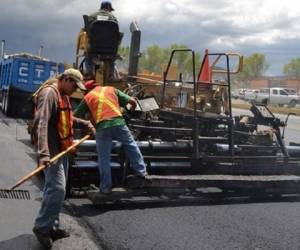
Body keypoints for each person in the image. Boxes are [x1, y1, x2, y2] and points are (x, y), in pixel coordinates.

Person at [32, 68, 95, 249]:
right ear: (66, 79)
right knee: (57, 189)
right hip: (52, 153)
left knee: (55, 190)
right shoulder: (49, 93)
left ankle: (52, 226)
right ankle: (42, 227)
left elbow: (67, 117)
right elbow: (41, 123)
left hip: (63, 149)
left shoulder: (63, 95)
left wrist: (85, 123)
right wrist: (43, 154)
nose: (76, 89)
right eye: (74, 85)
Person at [74, 81, 148, 195]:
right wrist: (131, 109)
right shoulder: (112, 89)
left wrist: (87, 123)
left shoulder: (88, 97)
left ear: (87, 90)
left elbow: (74, 115)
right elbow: (133, 101)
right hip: (118, 123)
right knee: (131, 145)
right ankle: (142, 172)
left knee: (104, 158)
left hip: (102, 127)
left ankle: (105, 188)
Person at [84, 1, 123, 79]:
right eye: (110, 9)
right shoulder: (113, 18)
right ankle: (111, 75)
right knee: (112, 58)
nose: (110, 11)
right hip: (110, 50)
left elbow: (86, 31)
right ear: (108, 8)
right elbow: (117, 34)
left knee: (88, 55)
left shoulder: (92, 16)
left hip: (94, 49)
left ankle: (89, 73)